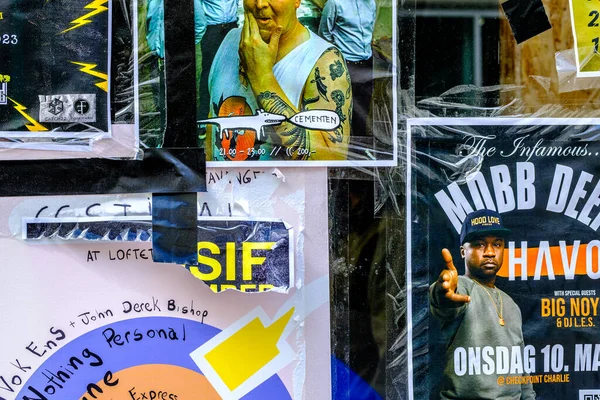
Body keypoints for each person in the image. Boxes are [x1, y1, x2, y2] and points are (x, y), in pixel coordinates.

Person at [206, 0, 351, 161]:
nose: (260, 4)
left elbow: (332, 160)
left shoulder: (324, 62)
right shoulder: (230, 40)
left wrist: (262, 78)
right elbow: (213, 125)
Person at [429, 209, 536, 400]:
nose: (489, 252)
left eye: (497, 244)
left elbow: (522, 373)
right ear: (463, 251)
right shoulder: (462, 287)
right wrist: (442, 291)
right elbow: (444, 301)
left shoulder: (511, 305)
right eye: (479, 245)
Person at [318, 0, 376, 137]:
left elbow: (370, 29)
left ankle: (359, 150)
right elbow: (324, 34)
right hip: (345, 64)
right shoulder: (335, 3)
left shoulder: (371, 3)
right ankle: (341, 150)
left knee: (363, 111)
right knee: (341, 111)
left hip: (367, 63)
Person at [198, 0, 238, 128]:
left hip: (231, 27)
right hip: (212, 29)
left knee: (232, 70)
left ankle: (230, 113)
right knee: (209, 72)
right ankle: (204, 118)